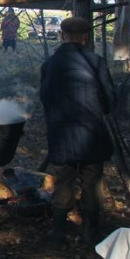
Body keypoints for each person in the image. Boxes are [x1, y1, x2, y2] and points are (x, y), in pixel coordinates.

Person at [39, 17, 117, 246]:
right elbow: (110, 102)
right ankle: (89, 234)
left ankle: (58, 233)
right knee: (91, 185)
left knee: (63, 184)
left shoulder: (50, 65)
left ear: (62, 35)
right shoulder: (96, 62)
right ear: (86, 36)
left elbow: (45, 98)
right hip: (91, 136)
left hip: (62, 137)